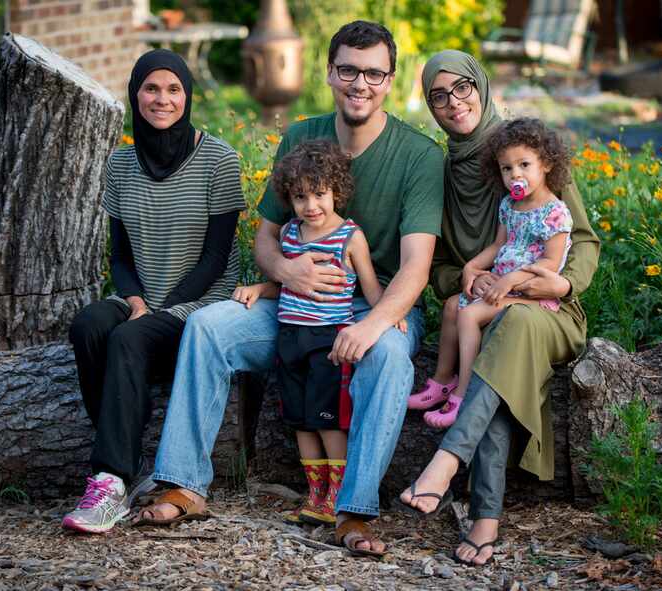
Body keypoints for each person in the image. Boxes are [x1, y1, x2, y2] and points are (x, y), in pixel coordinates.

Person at [139, 21, 443, 556]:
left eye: (374, 73)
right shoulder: (302, 137)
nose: (360, 83)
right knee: (209, 327)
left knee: (390, 355)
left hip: (377, 303)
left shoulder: (418, 155)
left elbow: (415, 270)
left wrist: (371, 323)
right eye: (348, 69)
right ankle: (184, 482)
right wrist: (286, 272)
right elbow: (265, 244)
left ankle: (354, 511)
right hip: (295, 303)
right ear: (329, 72)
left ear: (390, 81)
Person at [399, 50, 600, 565]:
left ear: (481, 85)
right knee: (500, 346)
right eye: (438, 95)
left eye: (462, 87)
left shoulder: (529, 150)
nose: (453, 102)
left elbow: (582, 240)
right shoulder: (442, 174)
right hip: (487, 305)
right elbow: (441, 264)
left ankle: (445, 463)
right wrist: (475, 279)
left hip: (551, 307)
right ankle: (485, 523)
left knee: (509, 327)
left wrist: (558, 285)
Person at [62, 49, 245, 533]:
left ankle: (110, 480)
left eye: (173, 89)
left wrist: (158, 310)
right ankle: (124, 459)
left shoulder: (218, 159)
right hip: (143, 300)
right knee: (89, 325)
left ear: (188, 96)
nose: (161, 99)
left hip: (201, 305)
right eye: (151, 88)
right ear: (135, 93)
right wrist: (138, 302)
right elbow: (119, 256)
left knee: (127, 338)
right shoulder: (120, 165)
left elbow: (216, 258)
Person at [231, 139, 406, 526]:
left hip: (328, 342)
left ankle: (337, 495)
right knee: (301, 420)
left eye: (320, 194)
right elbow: (289, 283)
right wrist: (261, 288)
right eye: (300, 197)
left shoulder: (349, 236)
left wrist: (387, 314)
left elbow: (370, 286)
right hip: (290, 338)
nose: (311, 205)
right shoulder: (291, 235)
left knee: (327, 419)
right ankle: (315, 494)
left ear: (336, 191)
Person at [411, 118, 573, 430]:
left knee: (469, 316)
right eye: (507, 168)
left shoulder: (555, 213)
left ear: (547, 164)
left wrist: (513, 279)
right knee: (451, 306)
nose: (516, 174)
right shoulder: (509, 205)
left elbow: (552, 264)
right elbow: (500, 244)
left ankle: (463, 397)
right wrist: (472, 267)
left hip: (530, 295)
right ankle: (443, 380)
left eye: (524, 164)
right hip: (501, 285)